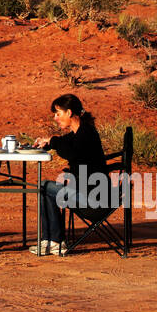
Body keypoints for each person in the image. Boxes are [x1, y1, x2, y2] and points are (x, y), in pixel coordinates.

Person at [31, 93, 107, 256]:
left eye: (58, 114)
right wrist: (49, 142)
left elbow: (71, 152)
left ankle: (55, 241)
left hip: (93, 200)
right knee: (45, 187)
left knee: (44, 186)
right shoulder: (81, 132)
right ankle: (51, 240)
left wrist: (54, 141)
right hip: (88, 193)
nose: (56, 118)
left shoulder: (86, 134)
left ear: (69, 113)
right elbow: (65, 142)